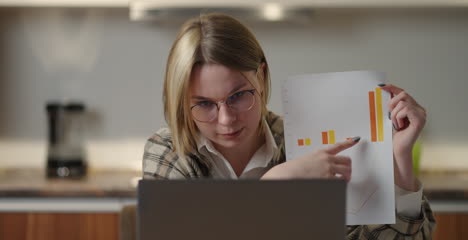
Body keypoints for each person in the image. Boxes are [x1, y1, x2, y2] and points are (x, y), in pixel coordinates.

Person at [143, 13, 436, 239]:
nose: (226, 119)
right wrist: (274, 186)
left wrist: (399, 165)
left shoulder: (310, 142)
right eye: (204, 103)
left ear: (261, 74)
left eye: (238, 96)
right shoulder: (168, 150)